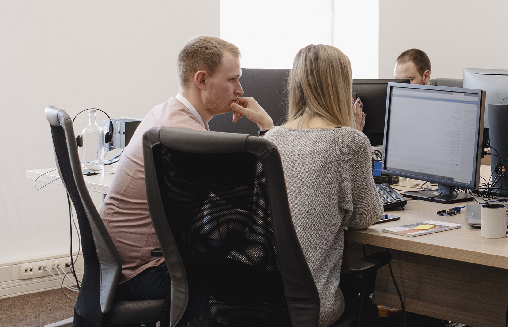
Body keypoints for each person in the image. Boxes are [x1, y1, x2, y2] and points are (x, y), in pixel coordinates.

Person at [102, 36, 275, 300]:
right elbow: (250, 197)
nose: (240, 89)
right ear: (202, 80)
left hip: (119, 266)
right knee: (263, 281)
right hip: (142, 272)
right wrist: (267, 127)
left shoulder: (169, 115)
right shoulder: (182, 134)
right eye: (232, 79)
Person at [264, 44, 383, 327]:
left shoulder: (271, 139)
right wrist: (354, 135)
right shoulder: (348, 142)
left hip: (261, 302)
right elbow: (367, 216)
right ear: (341, 87)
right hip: (313, 307)